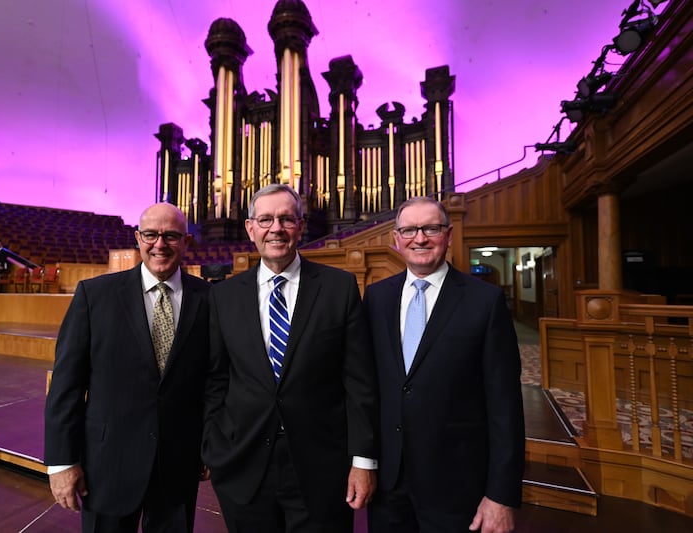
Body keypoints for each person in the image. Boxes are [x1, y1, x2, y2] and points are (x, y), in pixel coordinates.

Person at [202, 183, 379, 533]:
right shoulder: (223, 297)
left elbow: (359, 381)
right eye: (265, 219)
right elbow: (216, 379)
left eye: (285, 218)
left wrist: (363, 460)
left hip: (322, 468)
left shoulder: (339, 288)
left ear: (300, 225)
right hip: (244, 465)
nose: (276, 228)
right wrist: (213, 446)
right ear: (251, 228)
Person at [44, 203, 211, 533]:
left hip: (178, 464)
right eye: (150, 234)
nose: (159, 244)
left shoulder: (210, 299)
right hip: (107, 465)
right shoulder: (95, 295)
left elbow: (213, 382)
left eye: (171, 236)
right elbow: (67, 385)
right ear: (137, 238)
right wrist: (62, 462)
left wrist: (210, 446)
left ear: (186, 242)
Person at [362, 196, 525, 533]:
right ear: (395, 239)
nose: (419, 238)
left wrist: (501, 495)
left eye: (430, 229)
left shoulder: (485, 301)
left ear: (448, 234)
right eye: (409, 230)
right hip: (390, 484)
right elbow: (369, 387)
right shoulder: (376, 298)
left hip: (457, 486)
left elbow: (505, 406)